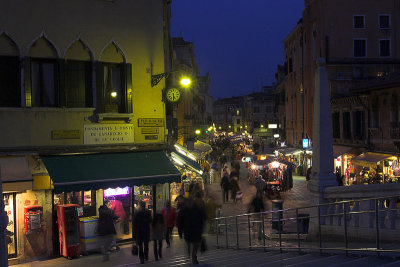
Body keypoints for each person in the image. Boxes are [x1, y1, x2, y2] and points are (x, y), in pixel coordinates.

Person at [177, 195, 206, 265]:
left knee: (193, 245)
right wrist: (180, 231)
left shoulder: (185, 210)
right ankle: (191, 256)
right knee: (192, 245)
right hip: (192, 231)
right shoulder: (197, 209)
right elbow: (180, 222)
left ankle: (192, 256)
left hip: (192, 231)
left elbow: (179, 222)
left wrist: (180, 231)